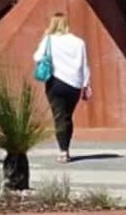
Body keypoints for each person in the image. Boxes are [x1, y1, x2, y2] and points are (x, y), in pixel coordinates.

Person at [33, 12, 90, 162]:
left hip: (55, 82)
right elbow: (84, 65)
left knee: (59, 116)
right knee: (67, 116)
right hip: (74, 84)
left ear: (52, 24)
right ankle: (66, 148)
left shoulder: (49, 40)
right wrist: (86, 85)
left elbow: (37, 57)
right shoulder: (79, 42)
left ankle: (63, 151)